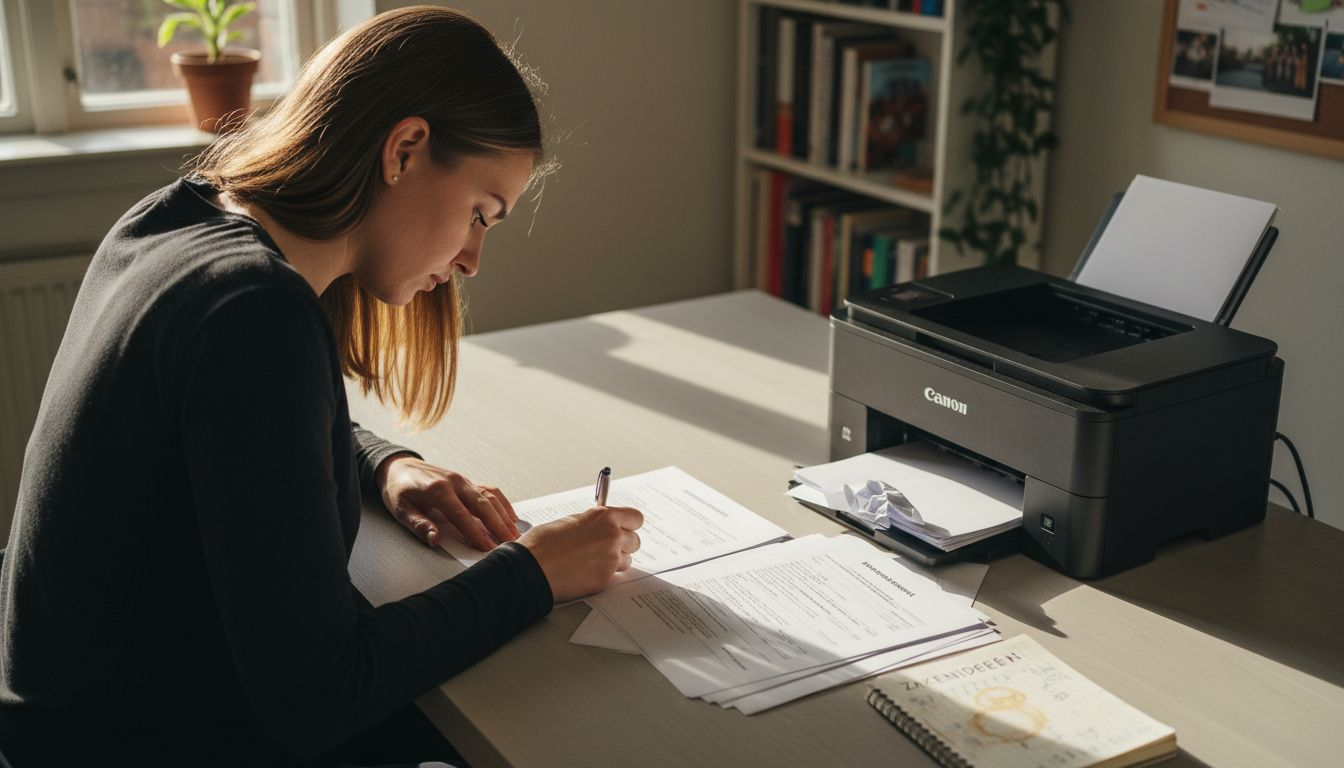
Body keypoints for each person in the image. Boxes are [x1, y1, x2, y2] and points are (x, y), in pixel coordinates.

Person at [0, 7, 643, 768]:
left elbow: (225, 432)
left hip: (71, 721)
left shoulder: (178, 220)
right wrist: (535, 573)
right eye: (480, 213)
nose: (472, 259)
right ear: (405, 148)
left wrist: (384, 465)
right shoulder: (256, 313)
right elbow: (320, 693)